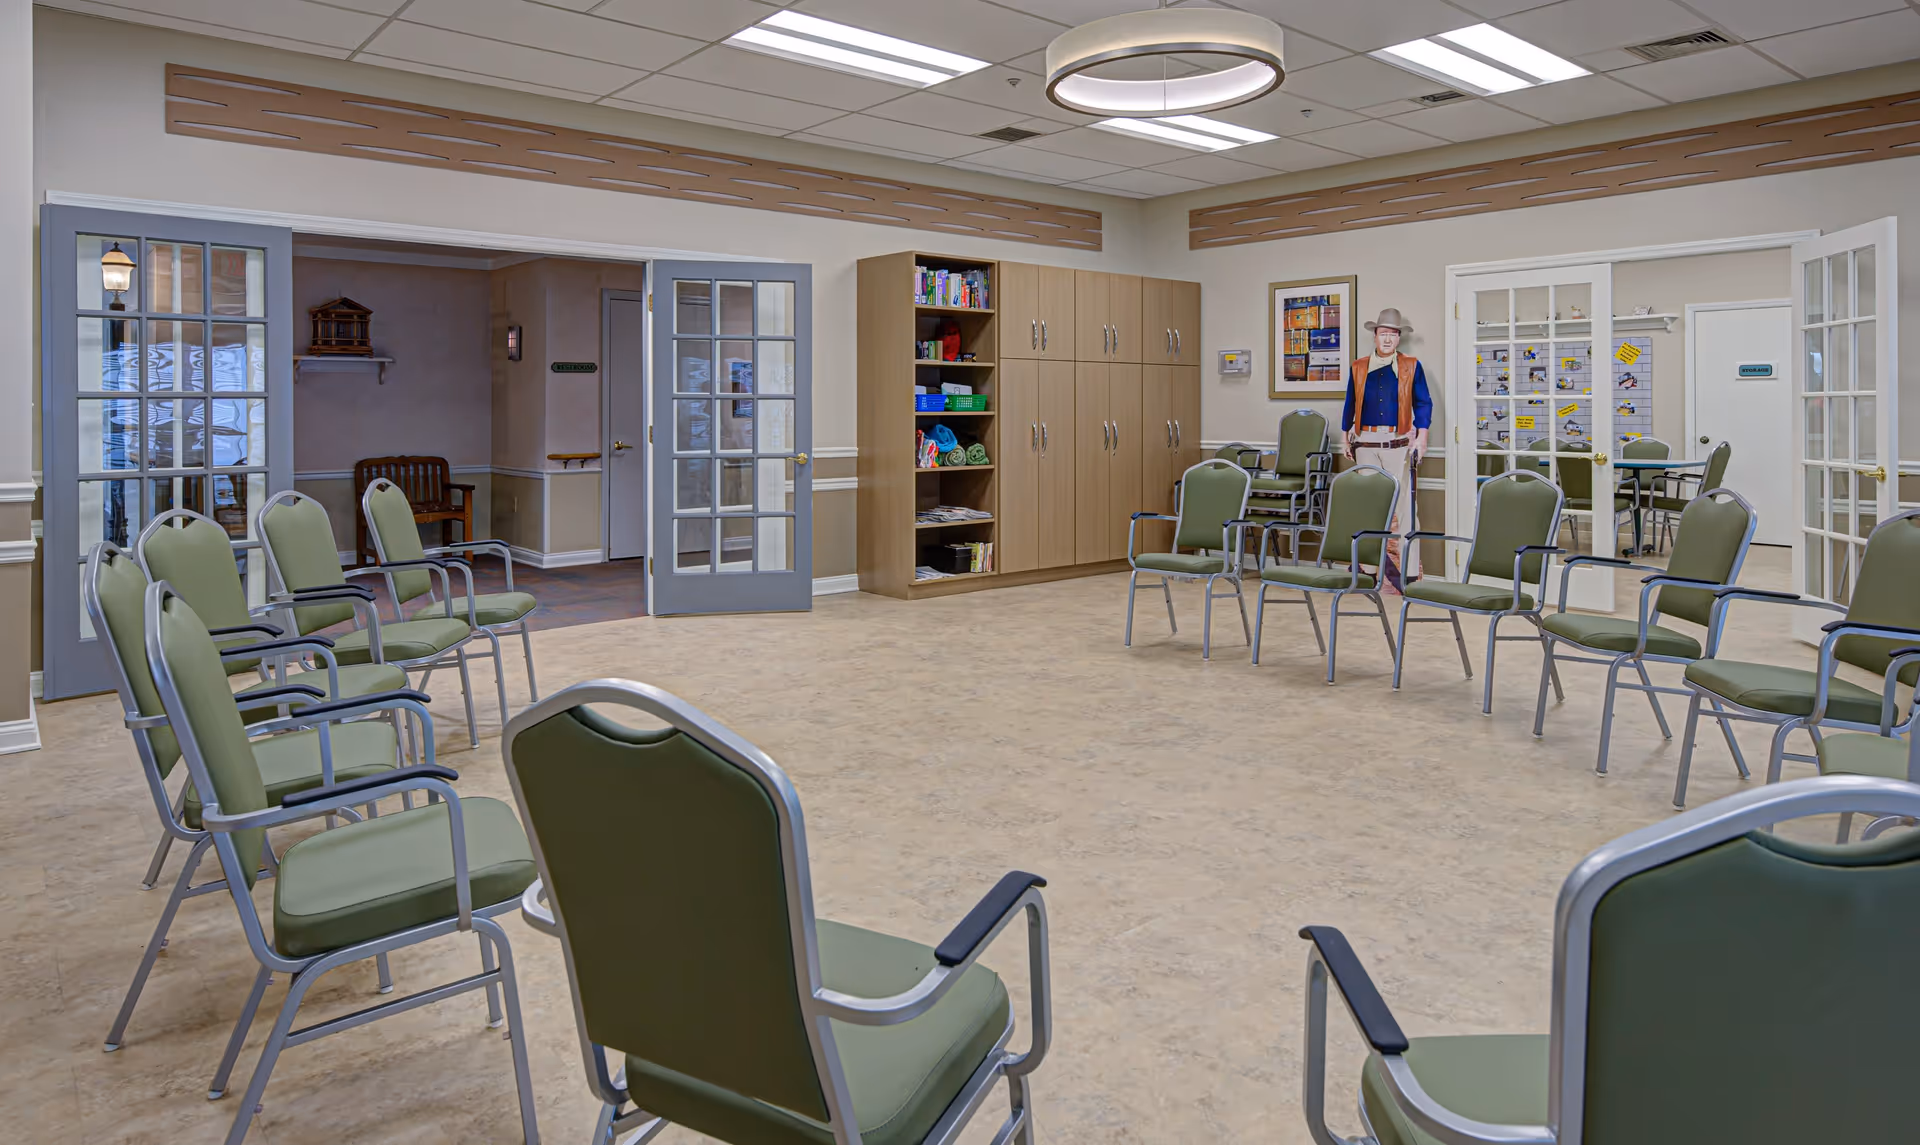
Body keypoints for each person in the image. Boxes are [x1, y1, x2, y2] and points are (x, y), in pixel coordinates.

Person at [1341, 308, 1431, 592]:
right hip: (1365, 442)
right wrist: (1345, 437)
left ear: (1399, 337)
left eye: (1393, 334)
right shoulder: (1358, 367)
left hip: (1398, 442)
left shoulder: (1411, 366)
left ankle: (1408, 571)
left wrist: (1422, 438)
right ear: (1375, 335)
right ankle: (1368, 568)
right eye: (1383, 333)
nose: (1388, 338)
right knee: (1369, 504)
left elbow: (1424, 403)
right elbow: (1349, 404)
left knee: (1404, 506)